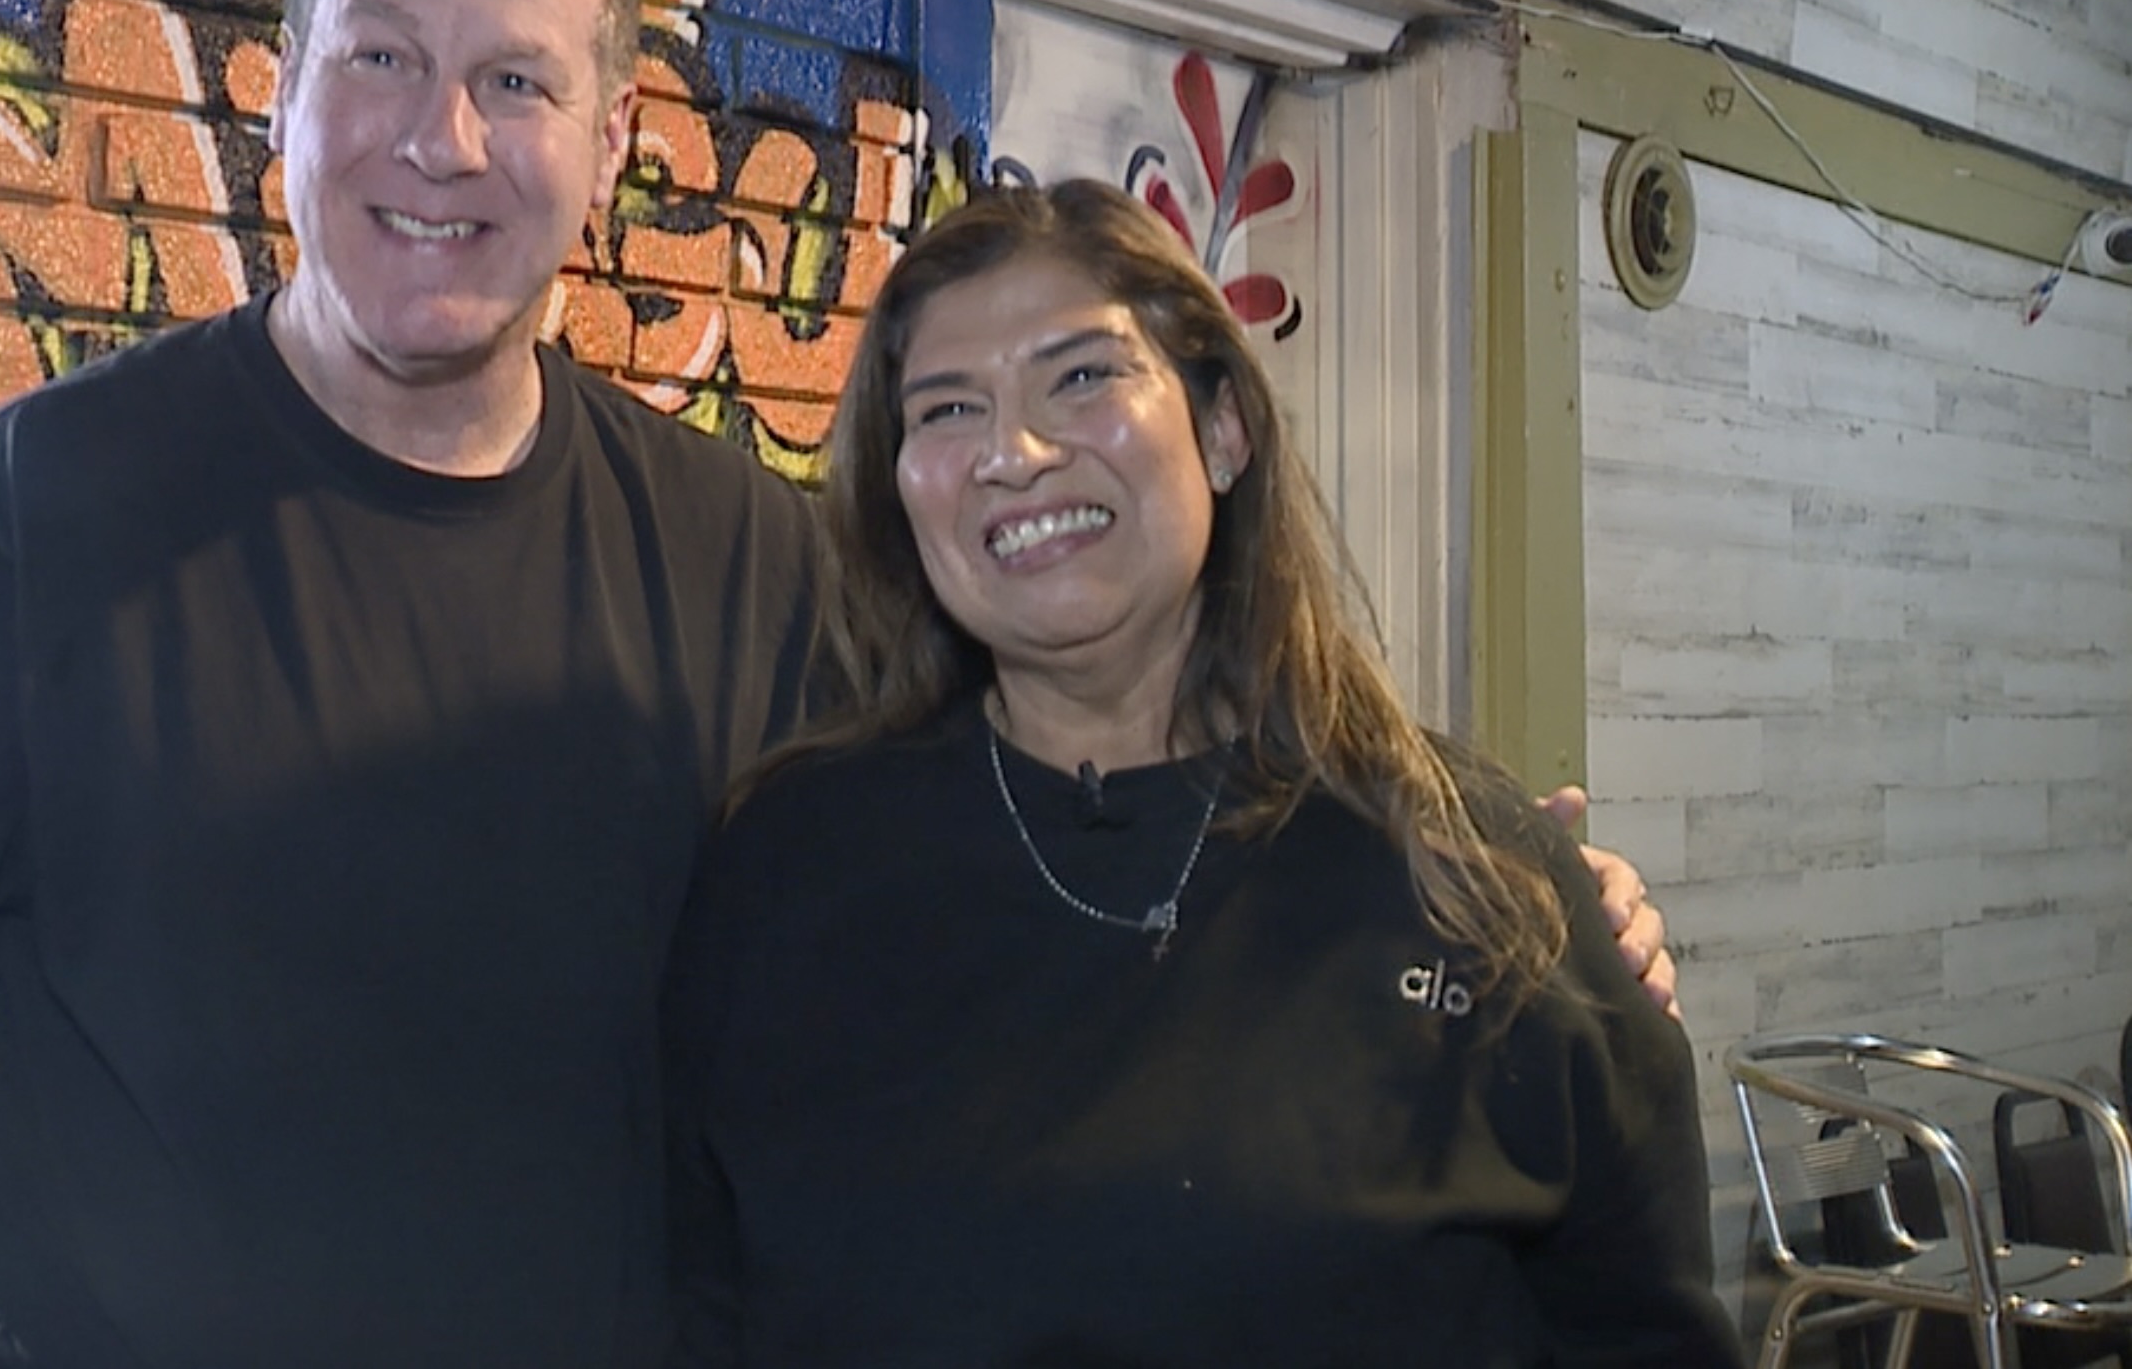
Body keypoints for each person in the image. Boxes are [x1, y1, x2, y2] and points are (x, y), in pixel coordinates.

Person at [0, 0, 1674, 1369]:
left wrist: (1502, 899)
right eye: (378, 58)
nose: (440, 140)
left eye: (515, 79)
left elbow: (1065, 829)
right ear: (280, 99)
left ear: (607, 139)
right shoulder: (47, 509)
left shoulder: (747, 553)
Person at [663, 180, 1738, 1366]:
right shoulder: (790, 872)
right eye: (949, 408)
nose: (1014, 454)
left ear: (1224, 429)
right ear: (899, 481)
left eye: (1082, 375)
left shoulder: (1474, 877)